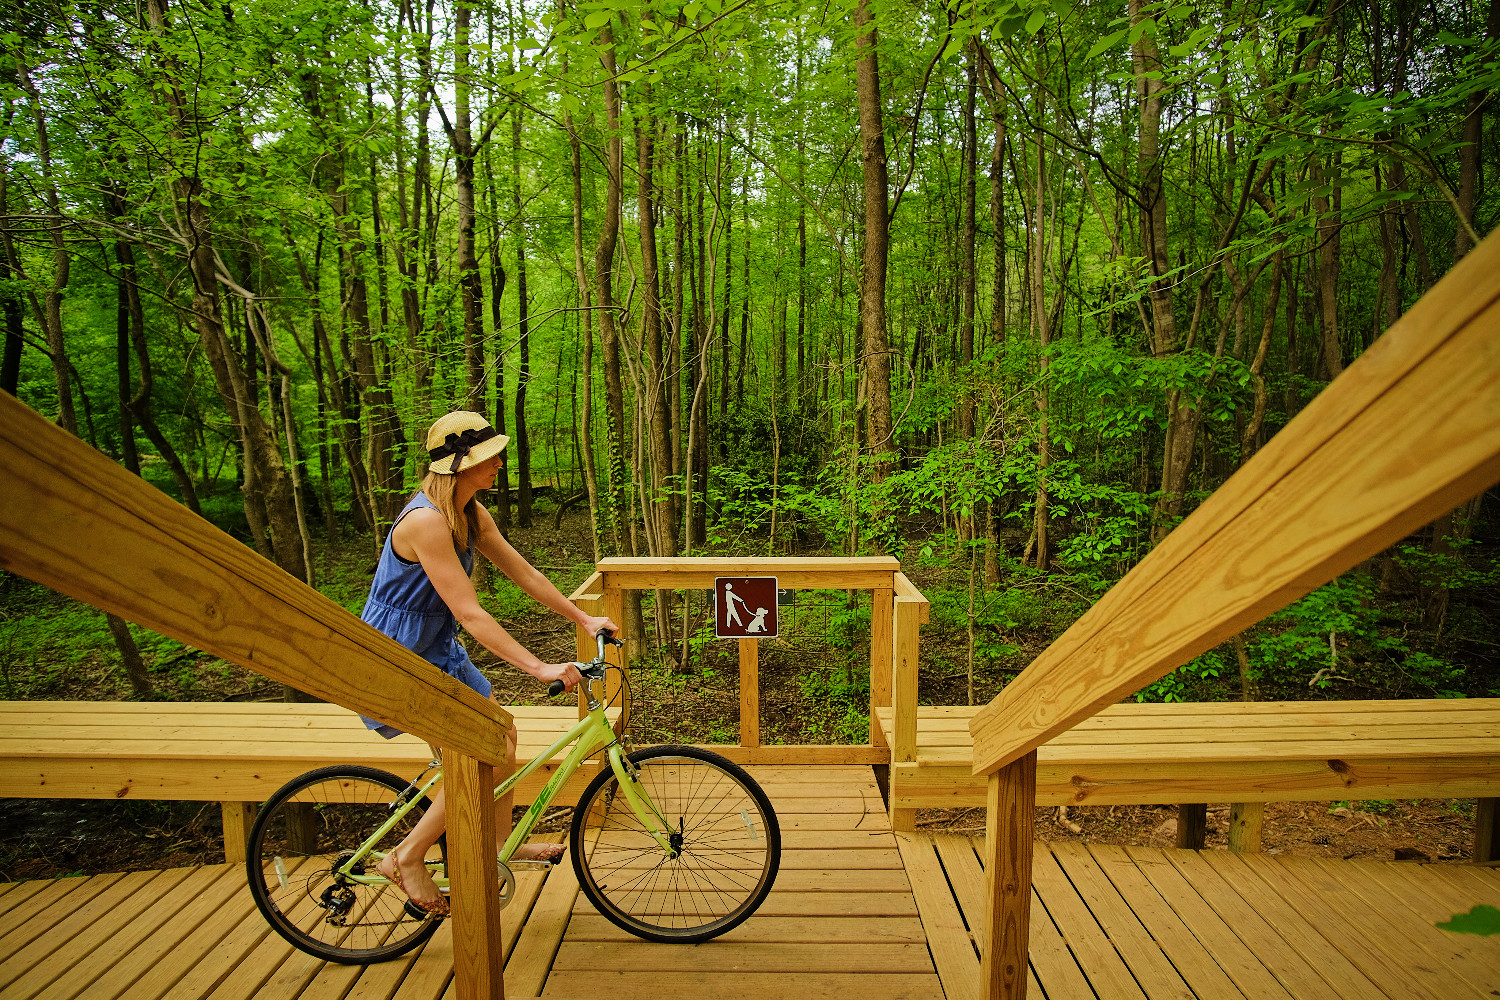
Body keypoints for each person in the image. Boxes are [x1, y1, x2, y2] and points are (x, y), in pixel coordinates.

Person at [361, 410, 618, 916]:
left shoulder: (471, 512)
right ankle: (407, 856)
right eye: (489, 457)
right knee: (479, 752)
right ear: (458, 466)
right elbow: (470, 612)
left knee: (503, 737)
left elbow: (523, 572)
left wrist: (583, 620)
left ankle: (500, 845)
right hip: (400, 654)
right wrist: (540, 667)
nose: (499, 463)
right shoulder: (427, 522)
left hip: (437, 646)